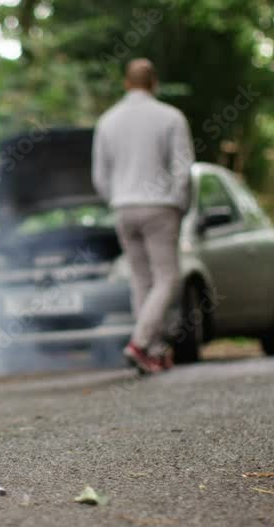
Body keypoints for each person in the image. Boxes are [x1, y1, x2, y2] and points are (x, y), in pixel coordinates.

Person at [92, 58, 195, 374]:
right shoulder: (171, 117)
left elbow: (100, 175)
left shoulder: (107, 121)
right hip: (160, 206)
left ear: (126, 84)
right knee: (167, 278)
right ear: (155, 84)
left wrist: (117, 200)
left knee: (141, 279)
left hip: (123, 207)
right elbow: (182, 168)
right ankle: (139, 343)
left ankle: (151, 349)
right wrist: (180, 203)